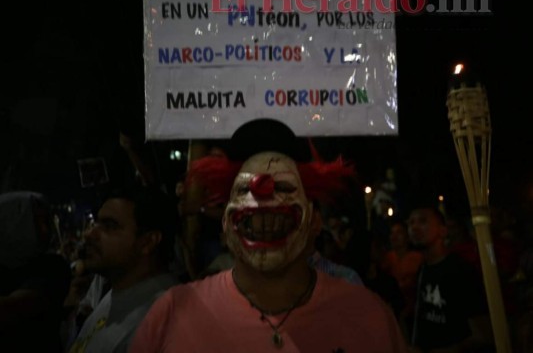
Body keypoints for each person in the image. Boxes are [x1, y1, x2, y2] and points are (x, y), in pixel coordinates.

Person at [130, 119, 408, 352]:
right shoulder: (169, 314)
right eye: (243, 190)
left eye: (285, 186)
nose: (263, 194)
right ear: (225, 222)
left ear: (314, 221)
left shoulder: (370, 317)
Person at [67, 186, 178, 353]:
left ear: (148, 242)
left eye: (110, 226)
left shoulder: (164, 321)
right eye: (96, 223)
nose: (89, 234)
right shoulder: (117, 293)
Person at [407, 206, 493, 352]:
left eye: (422, 221)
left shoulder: (461, 271)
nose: (414, 227)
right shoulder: (423, 269)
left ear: (443, 230)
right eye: (410, 223)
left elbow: (483, 334)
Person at [0, 191, 72, 352]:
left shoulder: (52, 266)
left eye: (47, 222)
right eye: (35, 223)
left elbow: (13, 309)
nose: (46, 231)